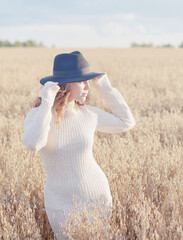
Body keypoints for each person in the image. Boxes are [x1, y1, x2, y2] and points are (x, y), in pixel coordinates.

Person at [22, 51, 136, 239]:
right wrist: (47, 103)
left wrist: (104, 87)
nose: (87, 86)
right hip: (59, 202)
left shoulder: (88, 115)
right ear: (65, 84)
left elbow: (127, 122)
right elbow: (34, 144)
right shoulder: (38, 115)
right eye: (82, 81)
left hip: (97, 196)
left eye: (88, 81)